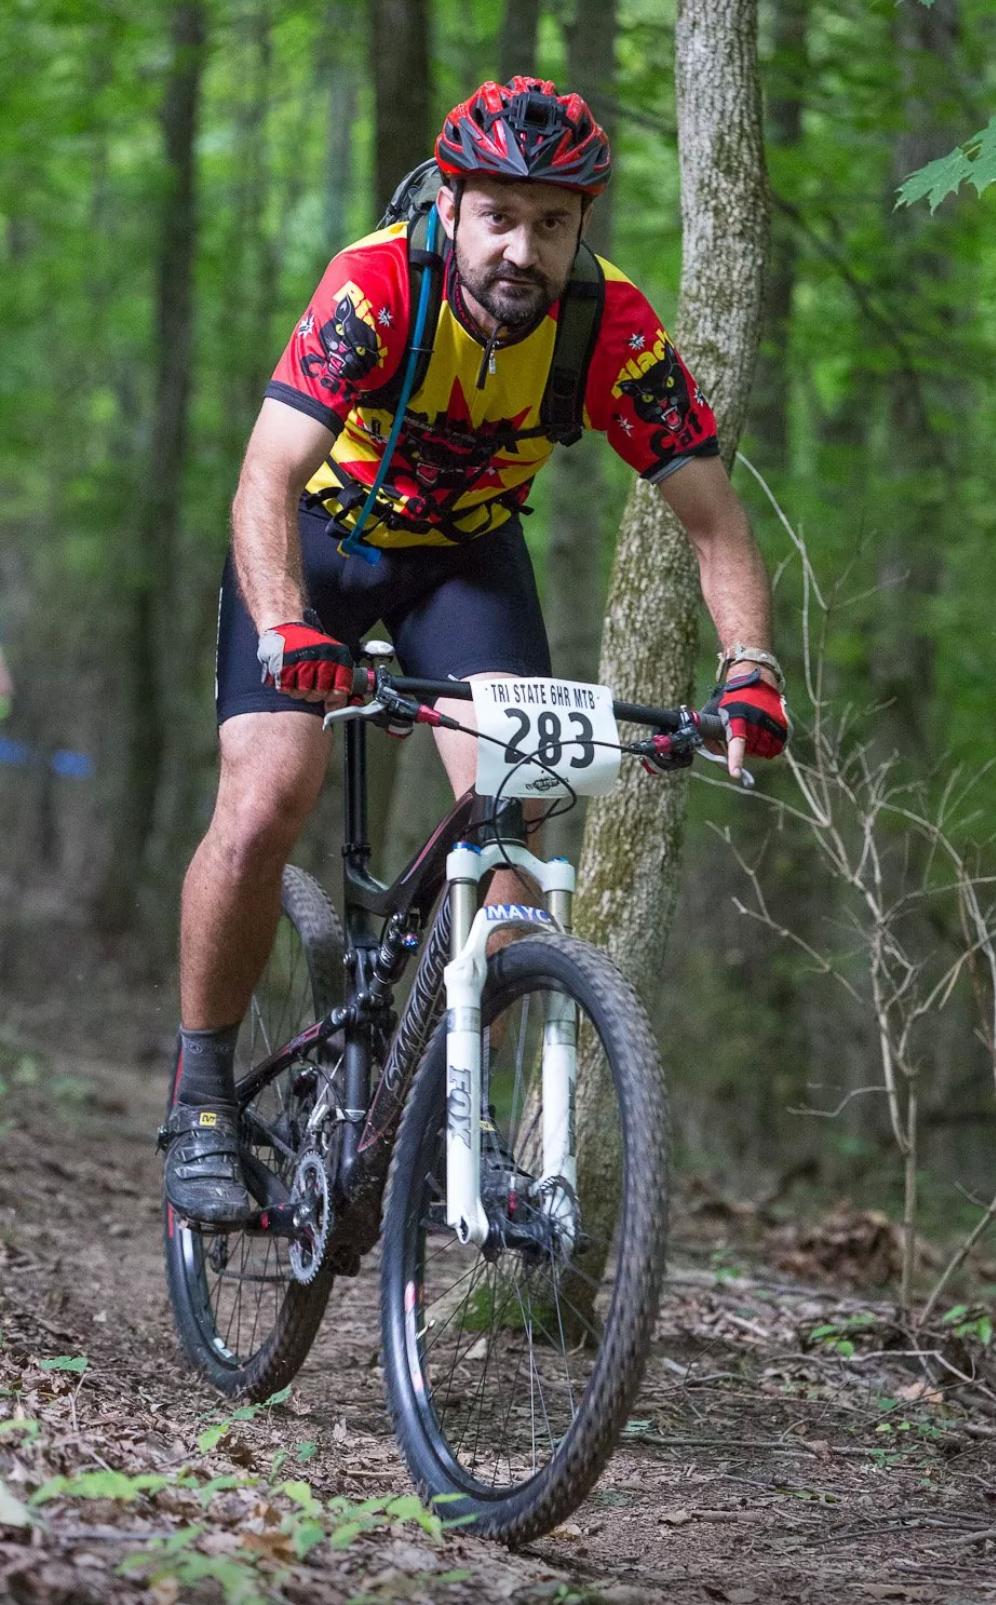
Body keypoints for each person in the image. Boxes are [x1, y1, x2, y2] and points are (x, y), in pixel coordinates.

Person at [160, 77, 789, 1226]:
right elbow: (265, 476)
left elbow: (714, 517)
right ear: (451, 207)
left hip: (464, 559)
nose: (524, 247)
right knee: (265, 798)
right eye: (499, 215)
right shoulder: (376, 286)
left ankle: (456, 1108)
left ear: (581, 227)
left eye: (552, 223)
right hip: (321, 543)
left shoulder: (611, 326)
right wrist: (289, 622)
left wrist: (750, 665)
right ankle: (202, 1097)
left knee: (511, 845)